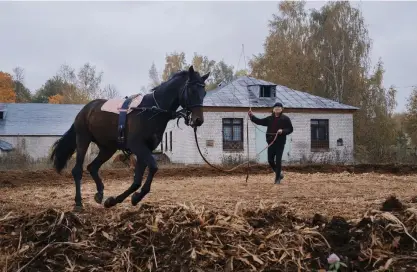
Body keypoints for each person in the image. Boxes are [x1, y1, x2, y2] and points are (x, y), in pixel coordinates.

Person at [248, 102, 293, 184]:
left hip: (280, 143)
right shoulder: (269, 119)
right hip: (271, 142)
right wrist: (251, 116)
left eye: (279, 108)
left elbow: (290, 129)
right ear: (273, 109)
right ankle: (279, 173)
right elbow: (259, 121)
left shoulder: (285, 119)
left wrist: (282, 131)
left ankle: (277, 179)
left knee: (278, 160)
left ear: (282, 109)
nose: (277, 109)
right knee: (270, 160)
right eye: (276, 108)